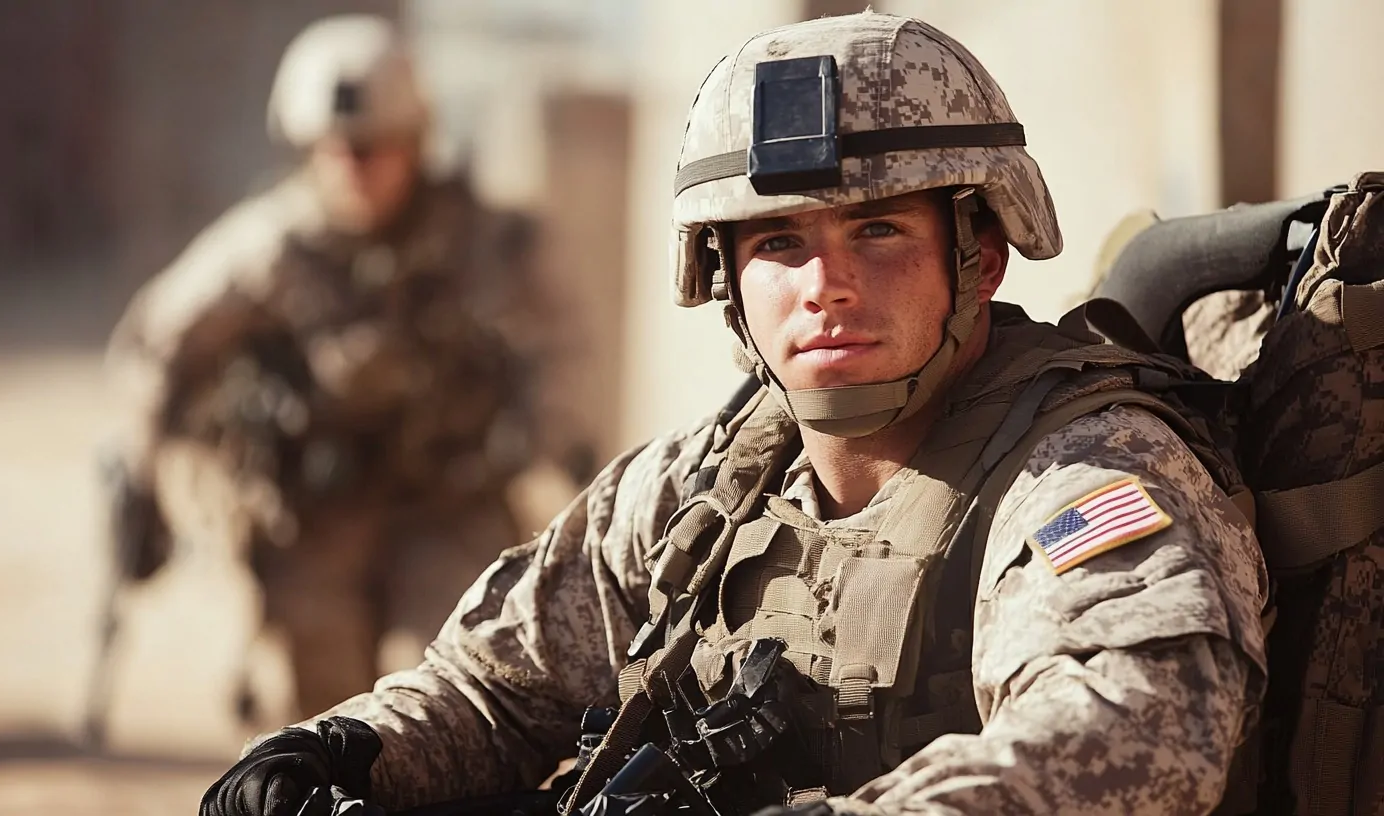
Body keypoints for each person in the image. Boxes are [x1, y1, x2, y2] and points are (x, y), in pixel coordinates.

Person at [199, 12, 1269, 816]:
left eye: (879, 234)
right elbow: (495, 686)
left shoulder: (1083, 471)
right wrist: (340, 752)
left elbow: (1128, 740)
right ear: (727, 283)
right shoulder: (704, 484)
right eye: (777, 245)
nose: (826, 285)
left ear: (978, 253)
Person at [98, 14, 539, 731]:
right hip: (313, 522)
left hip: (443, 506)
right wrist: (142, 472)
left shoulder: (476, 240)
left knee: (448, 692)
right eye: (335, 151)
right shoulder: (269, 246)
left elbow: (558, 352)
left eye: (373, 150)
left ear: (414, 142)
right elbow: (156, 347)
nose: (354, 168)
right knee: (317, 721)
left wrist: (565, 449)